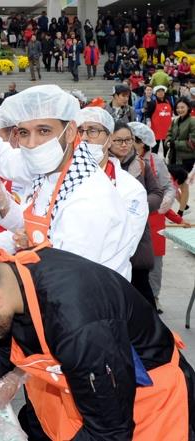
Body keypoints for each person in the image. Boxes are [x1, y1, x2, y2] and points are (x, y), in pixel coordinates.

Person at [0, 248, 195, 441]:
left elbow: (109, 432)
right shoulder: (13, 280)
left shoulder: (79, 327)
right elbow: (5, 341)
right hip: (94, 391)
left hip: (146, 403)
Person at [0, 73, 133, 279]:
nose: (32, 143)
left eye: (44, 131)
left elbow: (66, 276)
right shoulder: (49, 170)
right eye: (24, 133)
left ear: (70, 131)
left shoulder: (88, 198)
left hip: (90, 301)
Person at [75, 107, 148, 267]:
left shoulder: (131, 189)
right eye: (79, 131)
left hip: (107, 277)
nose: (84, 138)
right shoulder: (57, 180)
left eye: (93, 131)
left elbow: (127, 246)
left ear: (109, 140)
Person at [129, 122, 182, 313]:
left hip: (153, 216)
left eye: (131, 140)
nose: (127, 144)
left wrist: (164, 203)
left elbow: (168, 186)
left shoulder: (155, 161)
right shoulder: (119, 161)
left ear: (142, 143)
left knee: (155, 261)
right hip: (129, 219)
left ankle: (155, 297)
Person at [109, 121, 163, 307]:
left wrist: (137, 205)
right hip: (111, 238)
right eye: (119, 140)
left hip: (138, 240)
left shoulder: (141, 165)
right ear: (108, 140)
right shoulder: (101, 167)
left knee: (142, 293)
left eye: (128, 140)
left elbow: (157, 194)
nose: (124, 145)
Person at [166, 97, 195, 216]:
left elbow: (192, 142)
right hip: (173, 157)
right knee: (171, 184)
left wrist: (175, 143)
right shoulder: (175, 120)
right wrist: (168, 141)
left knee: (183, 185)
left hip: (186, 158)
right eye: (178, 107)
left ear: (188, 108)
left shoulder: (192, 121)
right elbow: (168, 134)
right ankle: (185, 206)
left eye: (182, 107)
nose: (180, 109)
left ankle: (181, 211)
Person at [144, 85, 173, 156]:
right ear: (156, 93)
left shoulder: (168, 102)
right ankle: (154, 163)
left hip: (167, 130)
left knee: (167, 149)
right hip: (156, 130)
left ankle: (166, 163)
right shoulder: (152, 103)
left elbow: (172, 112)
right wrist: (148, 122)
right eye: (159, 92)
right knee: (154, 151)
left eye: (162, 91)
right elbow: (147, 114)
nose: (160, 93)